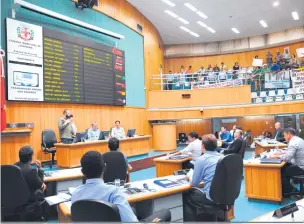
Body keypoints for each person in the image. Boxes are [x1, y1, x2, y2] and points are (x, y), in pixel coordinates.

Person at [71, 151, 171, 222]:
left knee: (133, 210)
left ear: (82, 172)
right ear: (104, 168)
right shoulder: (113, 192)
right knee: (165, 213)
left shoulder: (75, 194)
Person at [184, 134, 224, 221]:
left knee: (186, 194)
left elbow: (194, 183)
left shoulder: (201, 160)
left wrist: (189, 176)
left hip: (211, 197)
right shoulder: (223, 158)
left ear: (203, 146)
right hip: (225, 195)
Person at [14, 146, 47, 220]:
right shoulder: (31, 170)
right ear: (30, 157)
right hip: (29, 202)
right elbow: (40, 185)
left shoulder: (13, 167)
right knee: (43, 187)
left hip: (14, 201)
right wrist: (40, 168)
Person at [268, 128, 304, 194]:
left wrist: (275, 156)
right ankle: (288, 188)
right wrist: (281, 153)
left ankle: (291, 190)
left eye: (284, 135)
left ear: (288, 134)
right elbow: (291, 152)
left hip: (301, 167)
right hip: (301, 164)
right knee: (284, 167)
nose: (284, 137)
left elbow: (287, 158)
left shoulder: (293, 142)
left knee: (278, 172)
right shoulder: (298, 139)